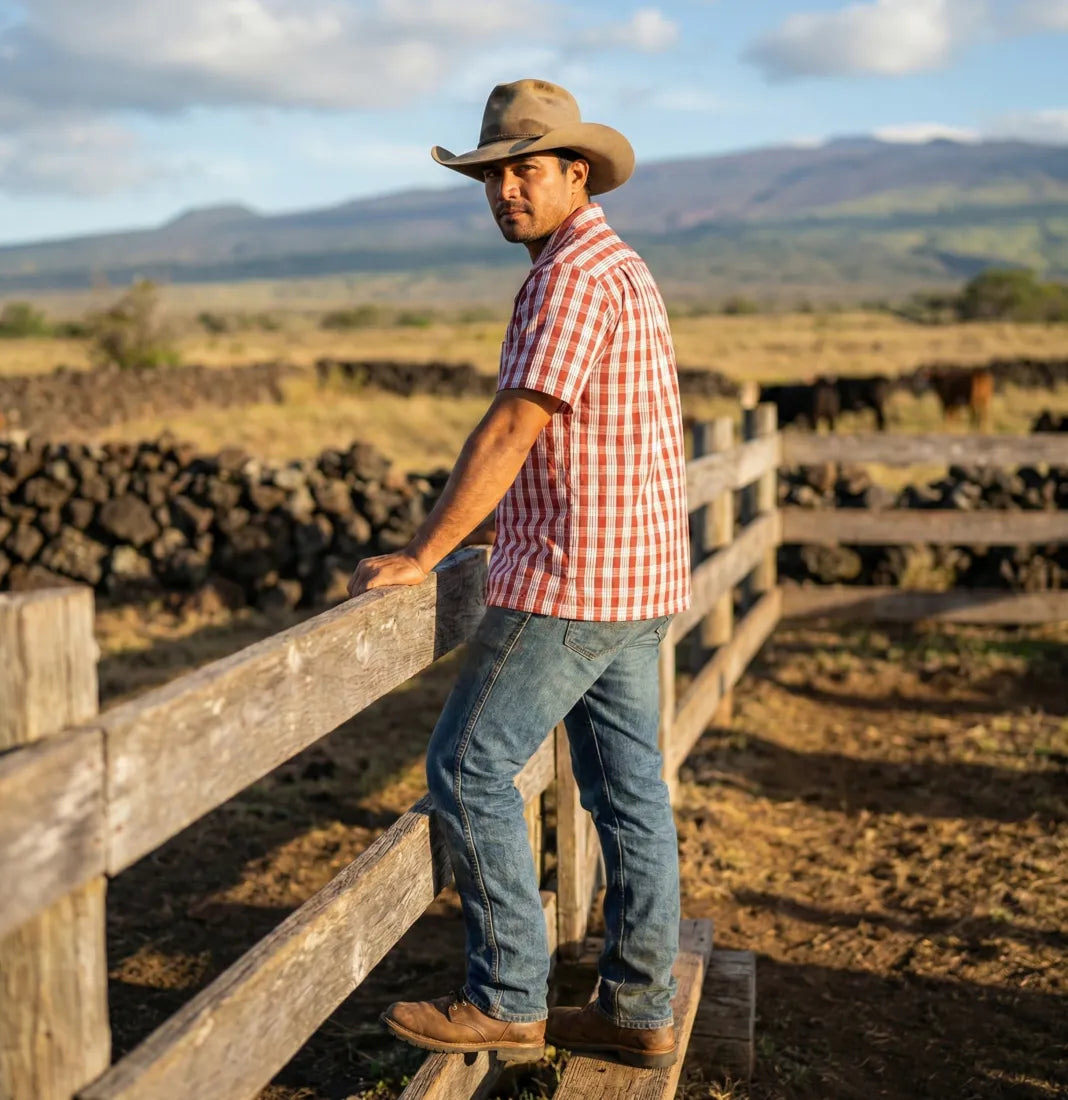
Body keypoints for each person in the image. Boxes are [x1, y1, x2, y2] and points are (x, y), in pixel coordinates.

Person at [349, 78, 691, 1069]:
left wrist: (423, 554)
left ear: (573, 173)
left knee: (467, 765)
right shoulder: (616, 265)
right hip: (638, 576)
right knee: (629, 795)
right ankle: (635, 1003)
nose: (504, 190)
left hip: (573, 578)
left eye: (524, 170)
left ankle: (504, 995)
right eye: (491, 175)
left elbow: (513, 425)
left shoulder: (568, 277)